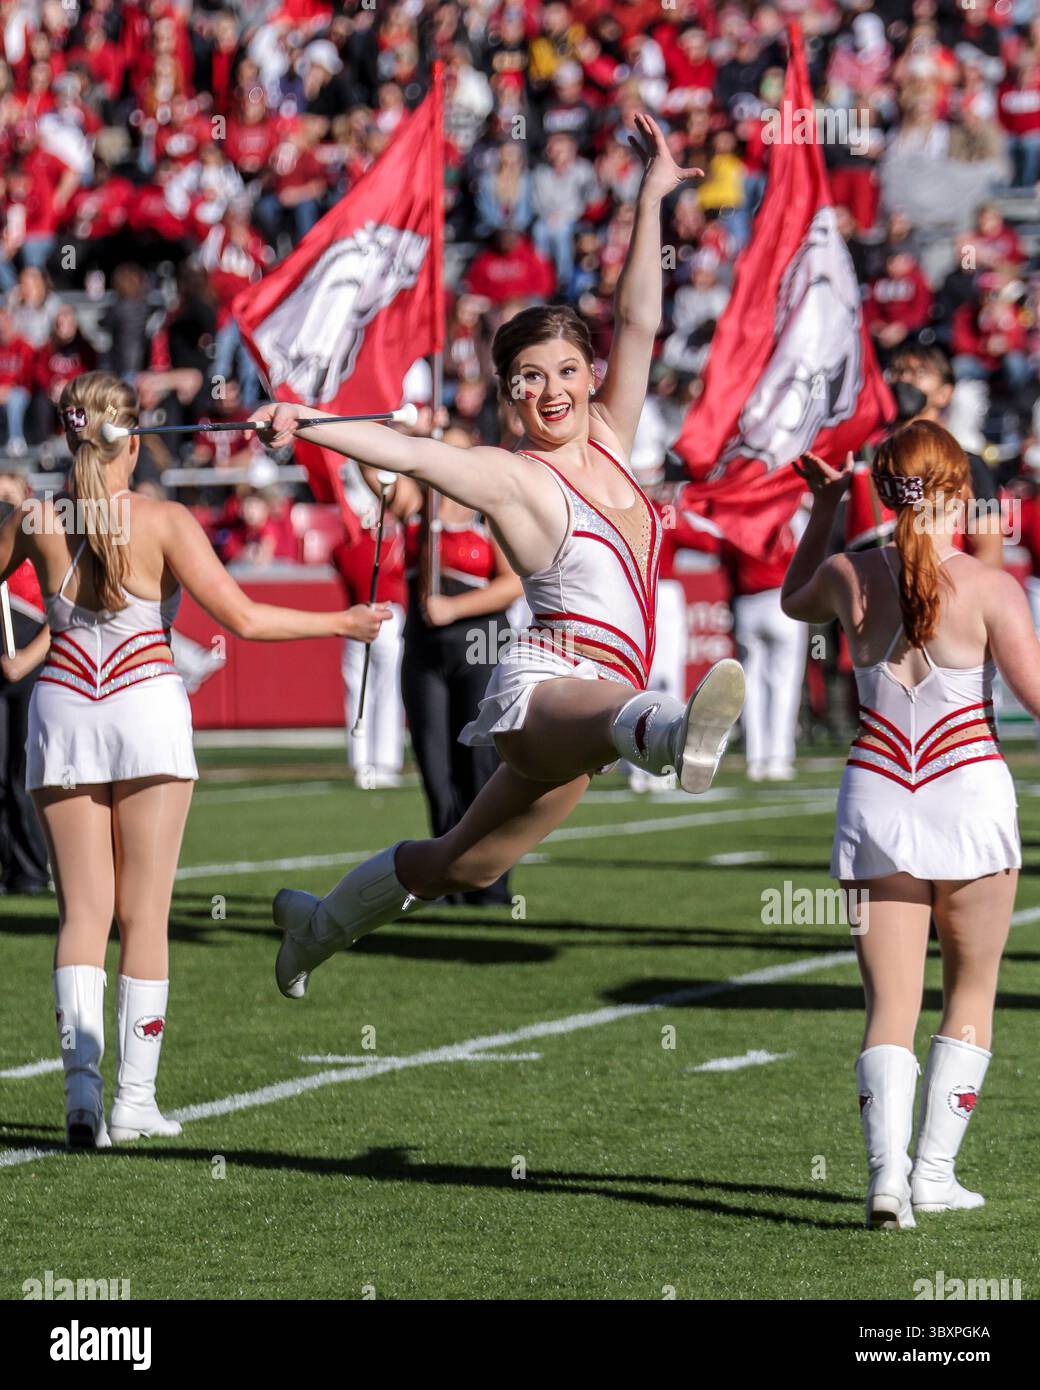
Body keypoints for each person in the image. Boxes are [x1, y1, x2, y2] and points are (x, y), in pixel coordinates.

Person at [257, 114, 747, 1000]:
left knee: (464, 866)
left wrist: (650, 196)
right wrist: (308, 420)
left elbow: (639, 317)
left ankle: (317, 926)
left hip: (595, 712)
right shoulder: (508, 477)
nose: (549, 390)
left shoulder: (612, 440)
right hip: (543, 688)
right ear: (508, 394)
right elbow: (409, 453)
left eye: (564, 371)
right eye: (527, 378)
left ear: (587, 378)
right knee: (630, 722)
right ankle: (675, 735)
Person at [0, 371, 388, 1150]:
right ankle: (132, 1101)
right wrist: (342, 622)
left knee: (82, 914)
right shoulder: (167, 519)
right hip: (145, 706)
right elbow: (241, 617)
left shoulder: (34, 517)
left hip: (64, 709)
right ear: (134, 442)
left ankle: (81, 1098)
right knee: (145, 914)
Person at [781, 420, 1034, 1230]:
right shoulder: (994, 588)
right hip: (969, 794)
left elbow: (790, 601)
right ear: (958, 490)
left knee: (888, 1004)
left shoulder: (845, 572)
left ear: (881, 489)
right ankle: (933, 1174)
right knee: (972, 990)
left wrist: (825, 505)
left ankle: (887, 1180)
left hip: (876, 792)